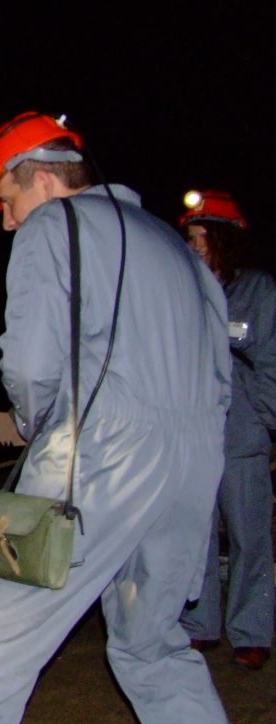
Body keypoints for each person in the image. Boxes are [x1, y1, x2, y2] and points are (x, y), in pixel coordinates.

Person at [0, 113, 247, 724]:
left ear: (37, 179)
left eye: (6, 203)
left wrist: (38, 428)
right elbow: (218, 378)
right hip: (194, 464)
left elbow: (32, 366)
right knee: (152, 647)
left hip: (98, 459)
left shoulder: (52, 228)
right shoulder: (178, 249)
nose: (7, 222)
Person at [178, 189, 274, 671]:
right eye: (189, 237)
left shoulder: (259, 291)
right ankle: (198, 627)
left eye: (201, 237)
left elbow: (272, 362)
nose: (194, 245)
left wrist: (268, 423)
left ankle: (251, 633)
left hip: (243, 439)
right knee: (197, 536)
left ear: (223, 239)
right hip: (196, 438)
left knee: (249, 536)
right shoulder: (183, 291)